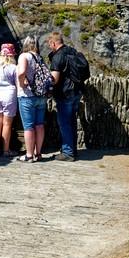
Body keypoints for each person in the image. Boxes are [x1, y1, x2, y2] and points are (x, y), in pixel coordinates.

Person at [47, 31, 85, 162]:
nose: (49, 47)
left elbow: (55, 79)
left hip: (65, 94)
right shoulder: (72, 51)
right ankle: (72, 150)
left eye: (49, 44)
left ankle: (68, 153)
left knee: (64, 123)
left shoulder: (58, 56)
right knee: (72, 122)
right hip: (76, 92)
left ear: (53, 43)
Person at [15, 36, 49, 162]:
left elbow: (21, 72)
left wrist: (21, 83)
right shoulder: (39, 57)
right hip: (41, 96)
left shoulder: (24, 56)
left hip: (27, 96)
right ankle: (38, 153)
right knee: (39, 125)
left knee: (28, 127)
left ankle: (29, 155)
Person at [0, 43, 19, 156]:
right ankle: (6, 150)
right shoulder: (14, 68)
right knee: (7, 124)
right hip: (9, 95)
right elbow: (18, 83)